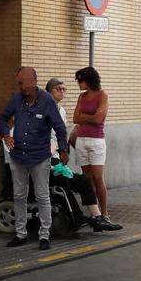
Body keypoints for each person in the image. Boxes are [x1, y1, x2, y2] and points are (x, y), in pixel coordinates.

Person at [0, 67, 68, 250]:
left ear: (34, 81)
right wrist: (6, 134)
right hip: (18, 155)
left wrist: (63, 150)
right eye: (19, 83)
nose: (22, 87)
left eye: (25, 83)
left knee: (42, 196)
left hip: (39, 156)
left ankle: (44, 235)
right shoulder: (16, 99)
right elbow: (3, 118)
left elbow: (60, 128)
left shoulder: (47, 101)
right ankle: (20, 234)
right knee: (19, 195)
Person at [45, 77, 120, 232]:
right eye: (58, 89)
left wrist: (64, 149)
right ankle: (77, 216)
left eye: (64, 89)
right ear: (48, 91)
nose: (62, 92)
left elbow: (61, 133)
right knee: (65, 181)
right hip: (44, 160)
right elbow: (45, 136)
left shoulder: (61, 110)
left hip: (56, 157)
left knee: (84, 180)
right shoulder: (43, 110)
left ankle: (98, 217)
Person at [71, 66, 113, 222]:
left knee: (97, 177)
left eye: (80, 80)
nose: (79, 83)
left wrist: (84, 116)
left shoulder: (103, 95)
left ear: (89, 80)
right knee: (87, 179)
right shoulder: (81, 97)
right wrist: (89, 116)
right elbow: (75, 118)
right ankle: (95, 213)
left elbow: (98, 119)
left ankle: (105, 213)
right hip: (81, 140)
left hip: (96, 141)